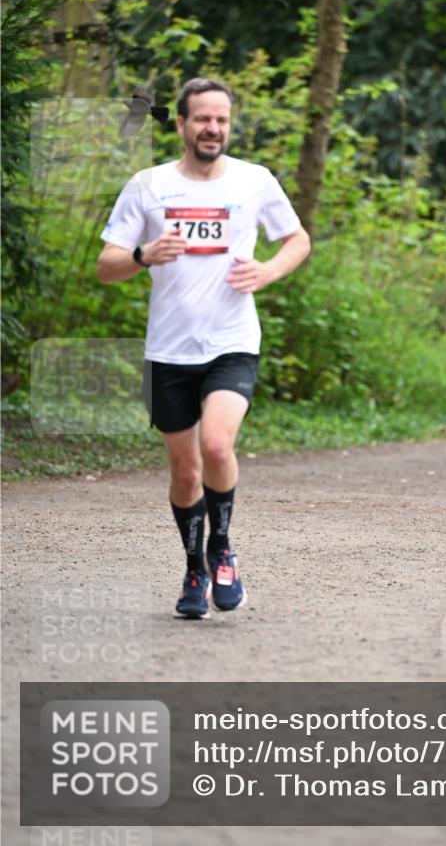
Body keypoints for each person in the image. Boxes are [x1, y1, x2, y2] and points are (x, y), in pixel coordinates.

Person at [97, 77, 310, 618]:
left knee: (217, 446)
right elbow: (107, 267)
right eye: (202, 119)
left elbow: (297, 239)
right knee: (186, 471)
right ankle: (194, 567)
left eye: (222, 119)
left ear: (229, 124)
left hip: (232, 341)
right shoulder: (147, 186)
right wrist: (145, 255)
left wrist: (268, 270)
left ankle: (223, 548)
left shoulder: (254, 181)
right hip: (168, 350)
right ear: (182, 124)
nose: (213, 128)